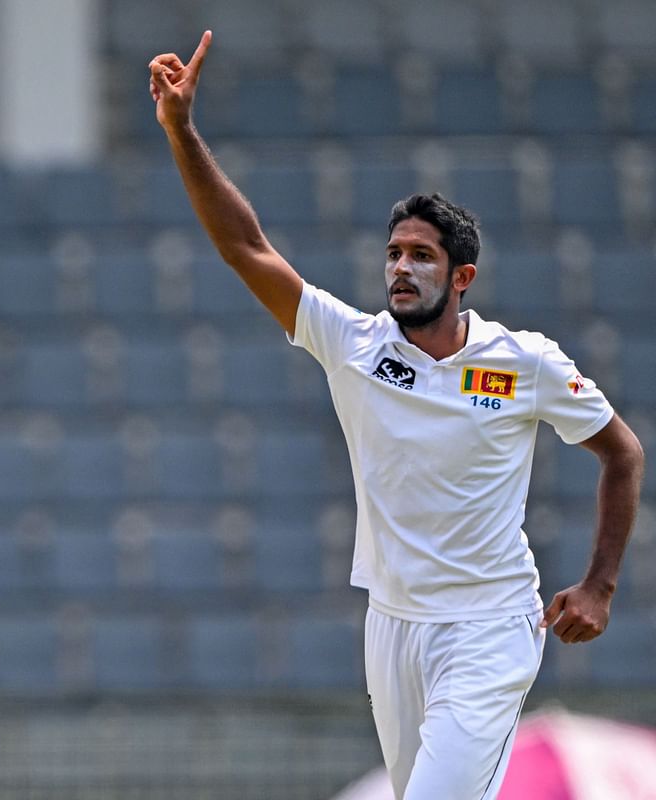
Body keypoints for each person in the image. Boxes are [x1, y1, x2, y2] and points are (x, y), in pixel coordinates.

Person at [148, 31, 645, 800]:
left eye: (421, 255)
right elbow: (246, 248)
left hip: (488, 628)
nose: (401, 269)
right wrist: (182, 132)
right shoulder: (354, 344)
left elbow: (622, 453)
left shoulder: (526, 363)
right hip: (393, 627)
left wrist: (600, 586)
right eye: (393, 254)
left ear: (463, 276)